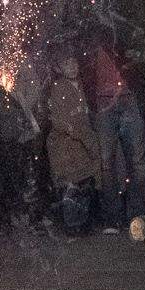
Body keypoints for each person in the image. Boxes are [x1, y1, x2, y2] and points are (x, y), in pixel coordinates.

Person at [82, 19, 145, 233]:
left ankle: (135, 215)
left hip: (129, 97)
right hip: (103, 101)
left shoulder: (126, 21)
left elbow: (142, 55)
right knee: (107, 162)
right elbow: (86, 65)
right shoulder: (93, 28)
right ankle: (113, 217)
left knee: (136, 161)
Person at [44, 46, 103, 234]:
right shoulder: (58, 88)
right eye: (67, 64)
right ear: (60, 68)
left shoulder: (81, 86)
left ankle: (82, 223)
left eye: (74, 63)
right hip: (66, 145)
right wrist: (77, 133)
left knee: (84, 184)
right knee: (71, 185)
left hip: (81, 142)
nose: (72, 67)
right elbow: (59, 120)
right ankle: (71, 224)